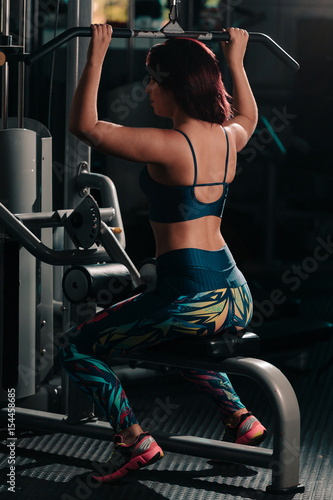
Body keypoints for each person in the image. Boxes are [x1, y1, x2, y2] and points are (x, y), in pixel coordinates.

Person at [59, 24, 267, 483]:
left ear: (177, 86)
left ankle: (134, 441)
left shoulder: (170, 146)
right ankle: (241, 420)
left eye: (155, 80)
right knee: (179, 343)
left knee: (75, 345)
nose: (149, 89)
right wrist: (236, 61)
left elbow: (85, 127)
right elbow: (249, 118)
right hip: (235, 292)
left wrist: (95, 56)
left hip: (190, 296)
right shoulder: (228, 137)